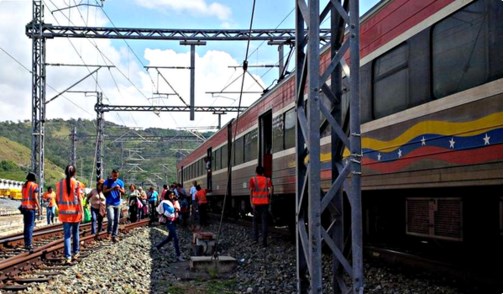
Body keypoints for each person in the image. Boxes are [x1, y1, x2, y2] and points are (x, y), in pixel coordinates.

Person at [55, 165, 83, 263]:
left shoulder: (59, 184)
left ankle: (68, 256)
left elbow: (57, 198)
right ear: (74, 173)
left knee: (67, 235)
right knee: (75, 233)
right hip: (75, 213)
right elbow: (79, 198)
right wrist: (82, 212)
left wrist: (60, 208)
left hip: (64, 213)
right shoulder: (77, 183)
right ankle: (76, 252)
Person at [155, 191, 184, 262]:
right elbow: (170, 210)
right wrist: (175, 207)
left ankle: (157, 247)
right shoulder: (165, 202)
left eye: (173, 195)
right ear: (167, 195)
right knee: (175, 238)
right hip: (169, 222)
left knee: (169, 238)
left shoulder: (171, 202)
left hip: (173, 221)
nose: (172, 196)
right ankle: (178, 255)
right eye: (170, 195)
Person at [249, 165, 273, 247]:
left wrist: (251, 202)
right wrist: (269, 198)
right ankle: (264, 242)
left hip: (256, 204)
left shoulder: (253, 179)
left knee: (255, 222)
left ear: (256, 172)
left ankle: (255, 239)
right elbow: (271, 190)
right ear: (263, 172)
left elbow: (251, 191)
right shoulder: (267, 180)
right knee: (264, 222)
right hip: (265, 203)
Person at [103, 169, 125, 242]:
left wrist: (119, 189)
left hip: (117, 203)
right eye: (114, 175)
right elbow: (104, 191)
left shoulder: (120, 182)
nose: (115, 176)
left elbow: (124, 192)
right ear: (112, 174)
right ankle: (109, 233)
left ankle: (114, 235)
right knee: (111, 218)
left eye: (116, 175)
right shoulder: (107, 181)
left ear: (118, 175)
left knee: (117, 220)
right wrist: (112, 188)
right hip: (109, 203)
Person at [21, 172, 40, 252]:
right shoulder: (34, 185)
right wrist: (39, 207)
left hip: (24, 207)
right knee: (30, 226)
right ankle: (29, 244)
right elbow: (35, 198)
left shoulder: (24, 186)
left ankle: (26, 243)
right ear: (34, 178)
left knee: (26, 225)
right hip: (31, 208)